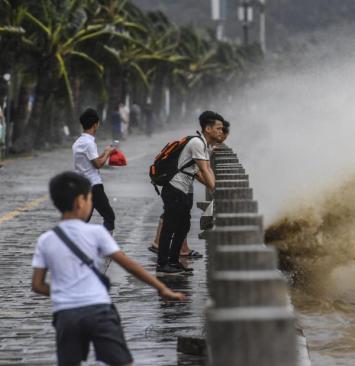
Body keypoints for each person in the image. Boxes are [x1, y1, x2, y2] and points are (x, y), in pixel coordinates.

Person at [31, 171, 185, 366]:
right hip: (99, 311)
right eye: (90, 199)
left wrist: (64, 292)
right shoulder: (96, 232)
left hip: (66, 315)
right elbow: (129, 265)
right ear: (80, 201)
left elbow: (37, 285)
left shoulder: (46, 240)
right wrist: (162, 288)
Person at [149, 119, 231, 258]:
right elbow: (202, 171)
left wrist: (213, 186)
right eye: (219, 129)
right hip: (176, 187)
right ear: (208, 129)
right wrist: (216, 190)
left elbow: (200, 171)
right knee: (172, 224)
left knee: (182, 224)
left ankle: (175, 259)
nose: (221, 134)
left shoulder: (203, 145)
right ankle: (164, 263)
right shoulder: (197, 144)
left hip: (182, 188)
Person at [73, 108, 116, 234]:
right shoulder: (89, 143)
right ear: (95, 124)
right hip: (94, 186)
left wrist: (104, 152)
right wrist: (108, 153)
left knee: (83, 219)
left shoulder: (78, 143)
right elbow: (97, 164)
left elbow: (90, 161)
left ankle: (74, 245)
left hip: (82, 186)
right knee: (109, 217)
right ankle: (104, 246)